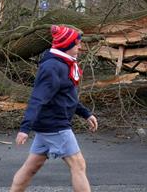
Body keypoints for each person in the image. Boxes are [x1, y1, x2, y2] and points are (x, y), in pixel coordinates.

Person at [10, 25, 98, 192]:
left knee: (30, 168)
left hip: (48, 125)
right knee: (78, 165)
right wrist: (24, 128)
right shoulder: (52, 67)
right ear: (66, 45)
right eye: (77, 43)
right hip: (55, 126)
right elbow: (37, 98)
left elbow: (65, 97)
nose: (80, 47)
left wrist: (86, 114)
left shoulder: (63, 64)